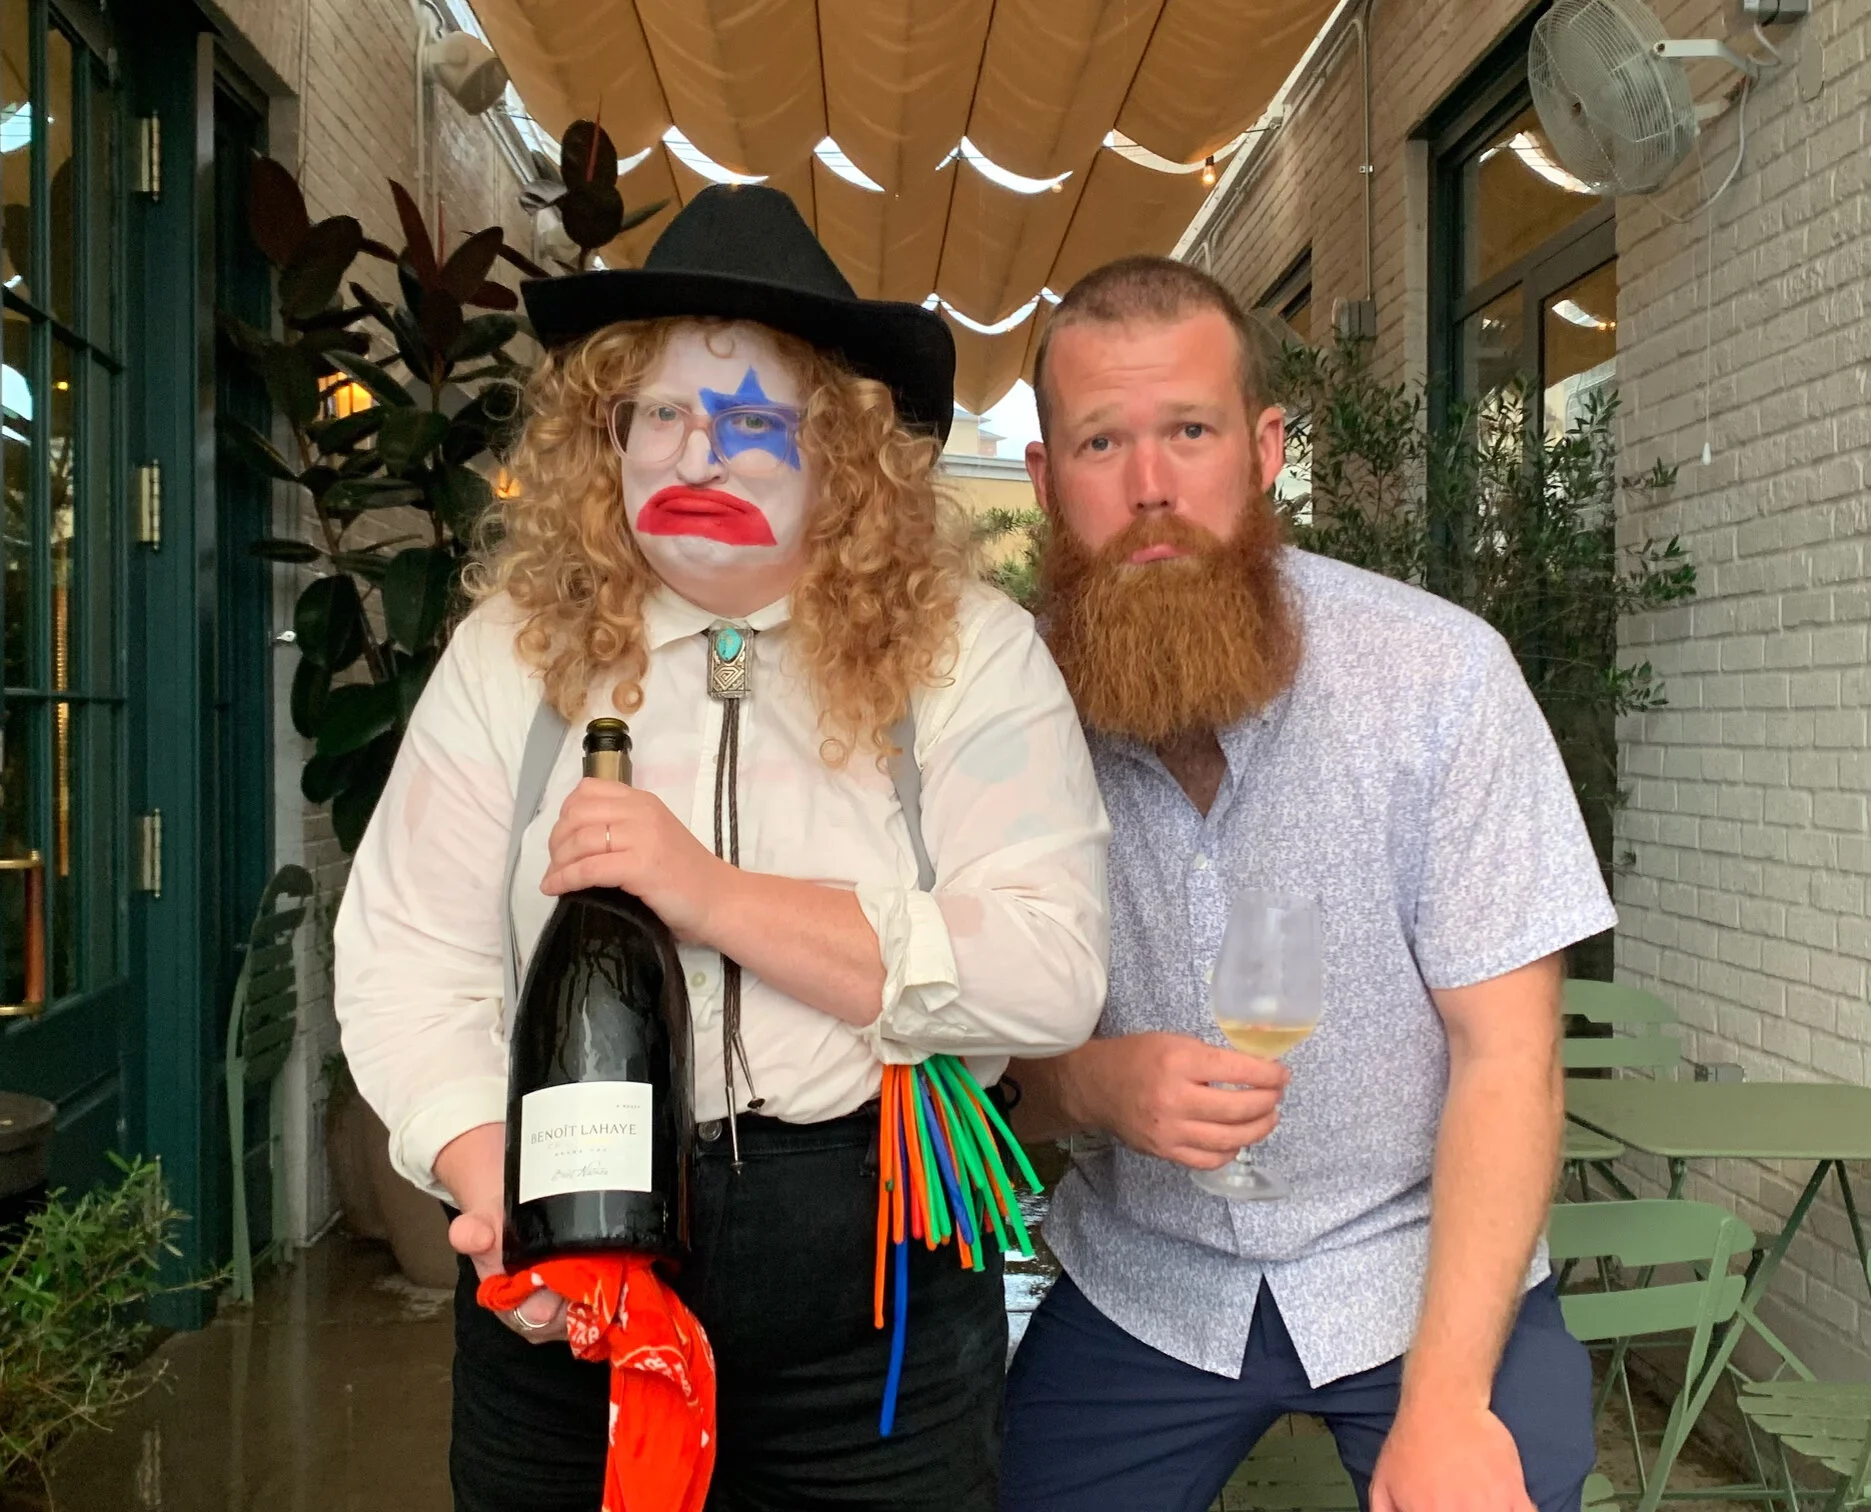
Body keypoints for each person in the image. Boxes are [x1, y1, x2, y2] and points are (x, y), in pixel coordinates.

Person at [333, 184, 1109, 1512]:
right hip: (570, 1273)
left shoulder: (968, 655)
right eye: (661, 416)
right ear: (608, 439)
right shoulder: (504, 659)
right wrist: (489, 1187)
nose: (699, 455)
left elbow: (1048, 970)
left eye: (754, 420)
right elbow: (410, 957)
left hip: (877, 1287)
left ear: (843, 452)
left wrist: (708, 893)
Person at [998, 256, 1617, 1512]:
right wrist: (1084, 1084)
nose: (1151, 488)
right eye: (1100, 442)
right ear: (1045, 481)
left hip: (1416, 1270)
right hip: (1149, 1276)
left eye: (1189, 430)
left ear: (1265, 447)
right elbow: (965, 1044)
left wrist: (1445, 1409)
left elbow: (1509, 1059)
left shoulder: (1439, 681)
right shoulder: (995, 715)